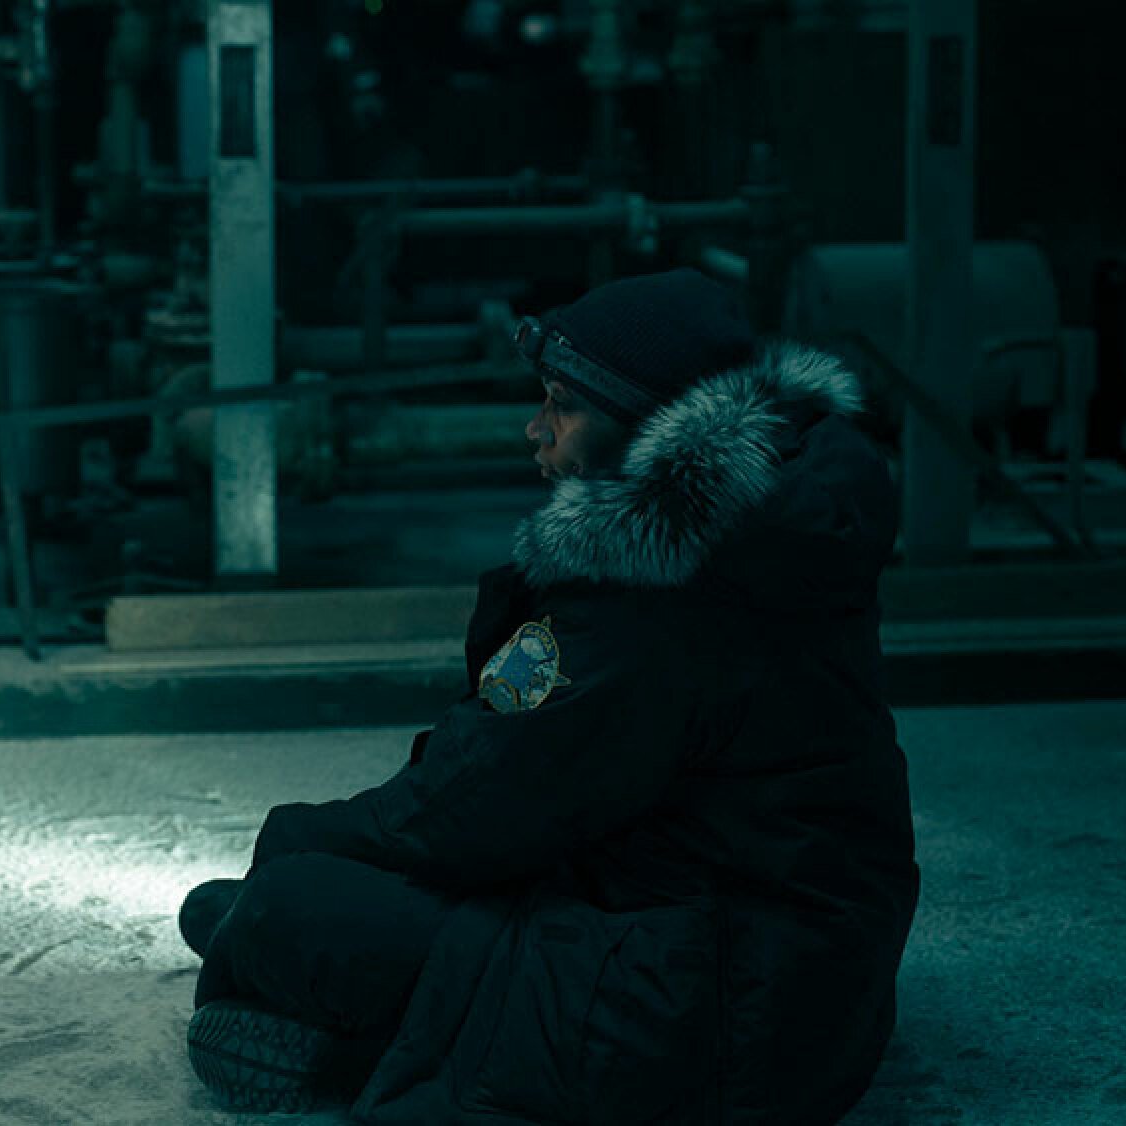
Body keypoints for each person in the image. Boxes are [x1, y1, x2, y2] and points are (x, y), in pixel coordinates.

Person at [179, 267, 922, 1123]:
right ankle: (355, 1005)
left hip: (722, 1008)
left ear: (645, 430)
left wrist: (293, 846)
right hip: (809, 962)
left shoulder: (657, 587)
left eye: (562, 406)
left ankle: (358, 1050)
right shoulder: (758, 525)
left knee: (287, 908)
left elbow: (479, 800)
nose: (535, 431)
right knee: (306, 903)